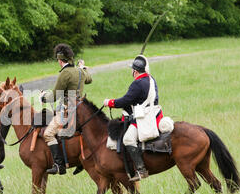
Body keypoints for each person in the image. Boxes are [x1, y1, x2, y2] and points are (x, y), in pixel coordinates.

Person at [103, 55, 163, 181]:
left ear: (135, 71)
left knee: (128, 139)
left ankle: (141, 170)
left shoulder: (137, 83)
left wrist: (110, 102)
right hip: (154, 113)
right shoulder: (151, 79)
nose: (131, 72)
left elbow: (125, 100)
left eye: (132, 70)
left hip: (143, 117)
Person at [40, 44, 92, 174]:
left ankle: (59, 165)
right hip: (82, 108)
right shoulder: (80, 71)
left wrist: (43, 97)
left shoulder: (65, 73)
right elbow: (89, 79)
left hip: (68, 110)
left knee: (48, 134)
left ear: (59, 60)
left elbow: (54, 95)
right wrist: (83, 68)